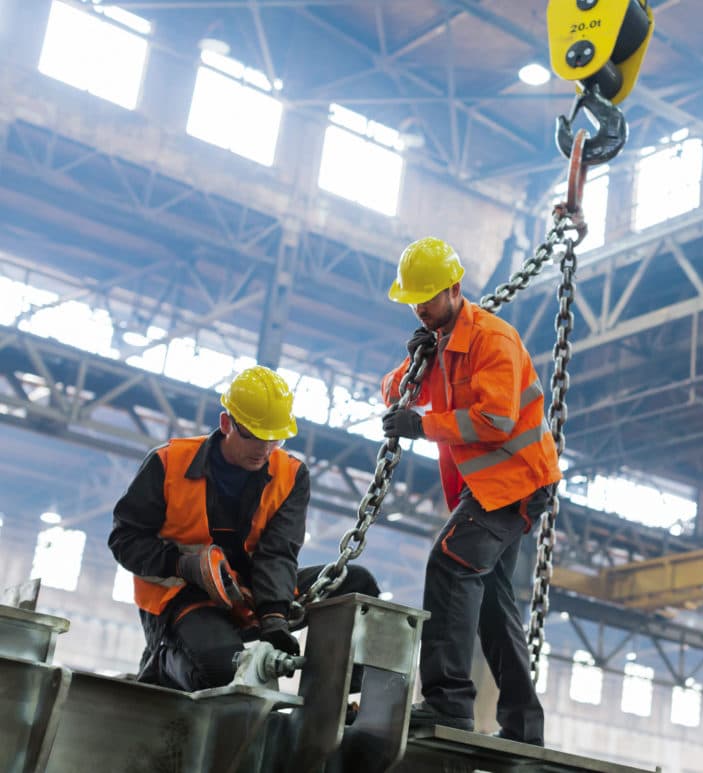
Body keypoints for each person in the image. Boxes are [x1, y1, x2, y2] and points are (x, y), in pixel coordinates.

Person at [381, 237, 561, 746]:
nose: (419, 307)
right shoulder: (436, 343)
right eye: (413, 300)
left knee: (451, 563)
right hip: (487, 486)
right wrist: (409, 364)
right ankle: (524, 726)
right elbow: (393, 393)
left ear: (455, 289)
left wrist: (422, 427)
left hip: (517, 482)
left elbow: (497, 418)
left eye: (429, 297)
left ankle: (447, 702)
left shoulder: (491, 340)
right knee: (490, 602)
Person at [109, 365, 380, 691]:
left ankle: (333, 693)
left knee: (356, 585)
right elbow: (125, 539)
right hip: (181, 598)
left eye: (275, 439)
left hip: (251, 591)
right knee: (225, 672)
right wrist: (182, 564)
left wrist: (274, 614)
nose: (264, 449)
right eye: (253, 436)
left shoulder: (291, 475)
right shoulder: (168, 463)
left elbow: (278, 551)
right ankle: (162, 662)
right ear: (227, 424)